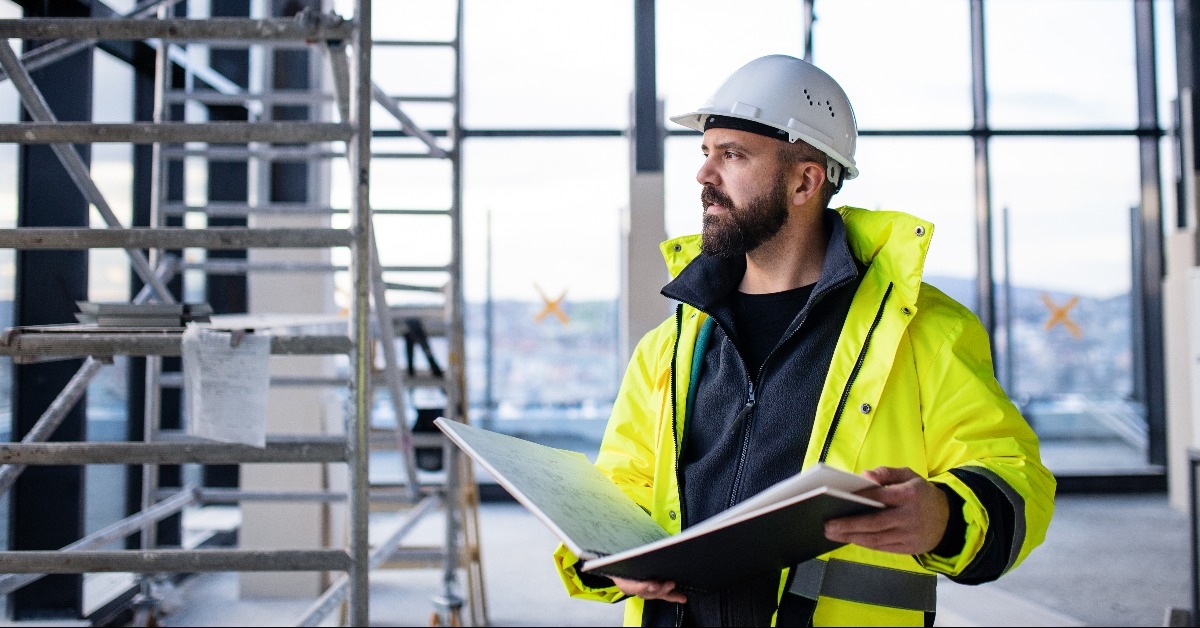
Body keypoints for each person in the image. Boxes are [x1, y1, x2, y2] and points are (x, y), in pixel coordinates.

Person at [551, 54, 1056, 626]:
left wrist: (944, 515)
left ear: (805, 180)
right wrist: (602, 556)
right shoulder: (669, 346)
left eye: (732, 154)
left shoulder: (924, 333)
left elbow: (1018, 477)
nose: (704, 175)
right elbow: (623, 488)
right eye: (705, 152)